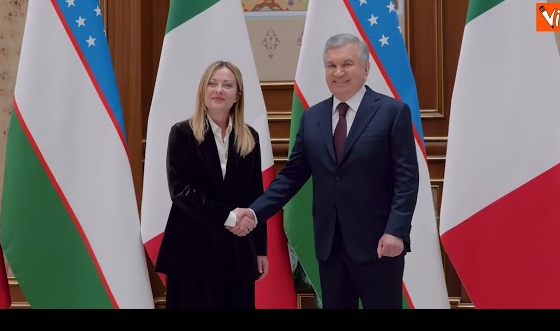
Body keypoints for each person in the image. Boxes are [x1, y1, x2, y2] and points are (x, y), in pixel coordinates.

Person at [229, 33, 419, 309]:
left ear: (366, 68)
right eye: (331, 65)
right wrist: (255, 212)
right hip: (330, 247)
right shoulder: (312, 117)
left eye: (347, 64)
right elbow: (292, 176)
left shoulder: (392, 112)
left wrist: (396, 231)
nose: (338, 72)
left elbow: (406, 180)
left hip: (380, 244)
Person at [155, 60, 268, 309]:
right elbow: (181, 191)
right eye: (212, 83)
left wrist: (260, 249)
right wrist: (228, 217)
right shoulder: (182, 133)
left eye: (227, 85)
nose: (219, 90)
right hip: (190, 251)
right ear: (203, 91)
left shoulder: (250, 137)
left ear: (237, 95)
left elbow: (256, 194)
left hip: (237, 252)